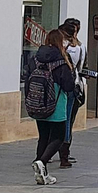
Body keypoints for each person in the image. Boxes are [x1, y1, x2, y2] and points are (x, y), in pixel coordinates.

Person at [28, 29, 78, 184]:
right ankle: (41, 162)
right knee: (58, 137)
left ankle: (41, 171)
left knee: (43, 136)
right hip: (56, 104)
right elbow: (68, 86)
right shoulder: (61, 61)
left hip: (38, 103)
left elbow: (27, 76)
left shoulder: (35, 59)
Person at [59, 19, 85, 167]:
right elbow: (81, 67)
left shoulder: (59, 46)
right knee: (68, 119)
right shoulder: (79, 47)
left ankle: (47, 152)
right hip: (72, 85)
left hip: (58, 85)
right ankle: (64, 153)